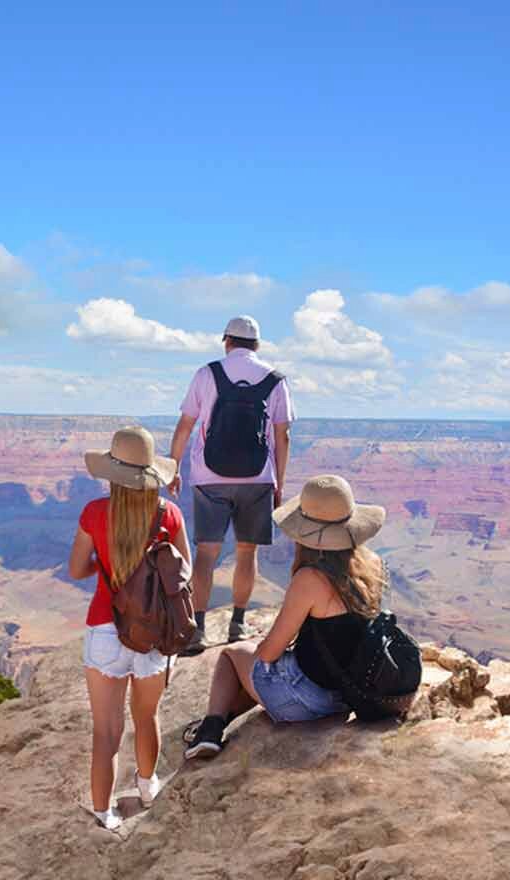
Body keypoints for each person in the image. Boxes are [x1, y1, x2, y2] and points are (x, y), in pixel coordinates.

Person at [183, 474, 387, 758]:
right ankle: (218, 723)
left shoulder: (310, 578)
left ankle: (210, 731)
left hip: (309, 700)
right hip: (349, 694)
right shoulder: (372, 566)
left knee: (232, 655)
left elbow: (268, 655)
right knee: (257, 665)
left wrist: (261, 645)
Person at [68, 426, 192, 830]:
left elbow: (76, 568)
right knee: (147, 715)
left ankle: (104, 814)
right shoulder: (169, 515)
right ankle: (146, 786)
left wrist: (105, 571)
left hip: (105, 628)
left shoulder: (94, 513)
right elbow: (184, 573)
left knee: (106, 731)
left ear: (112, 474)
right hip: (153, 632)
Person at [168, 315, 294, 655]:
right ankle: (238, 624)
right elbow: (282, 436)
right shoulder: (275, 380)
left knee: (206, 553)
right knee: (246, 551)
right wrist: (278, 483)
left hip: (210, 476)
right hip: (257, 479)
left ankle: (198, 630)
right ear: (257, 344)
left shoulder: (207, 374)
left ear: (227, 341)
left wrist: (173, 467)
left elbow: (185, 426)